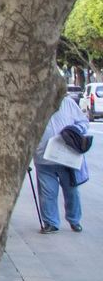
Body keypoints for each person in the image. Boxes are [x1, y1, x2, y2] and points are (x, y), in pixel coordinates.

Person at [34, 93, 88, 233]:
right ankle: (51, 222)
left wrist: (74, 131)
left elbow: (83, 122)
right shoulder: (36, 103)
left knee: (71, 191)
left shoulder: (68, 103)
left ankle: (74, 220)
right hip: (43, 157)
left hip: (67, 158)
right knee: (47, 193)